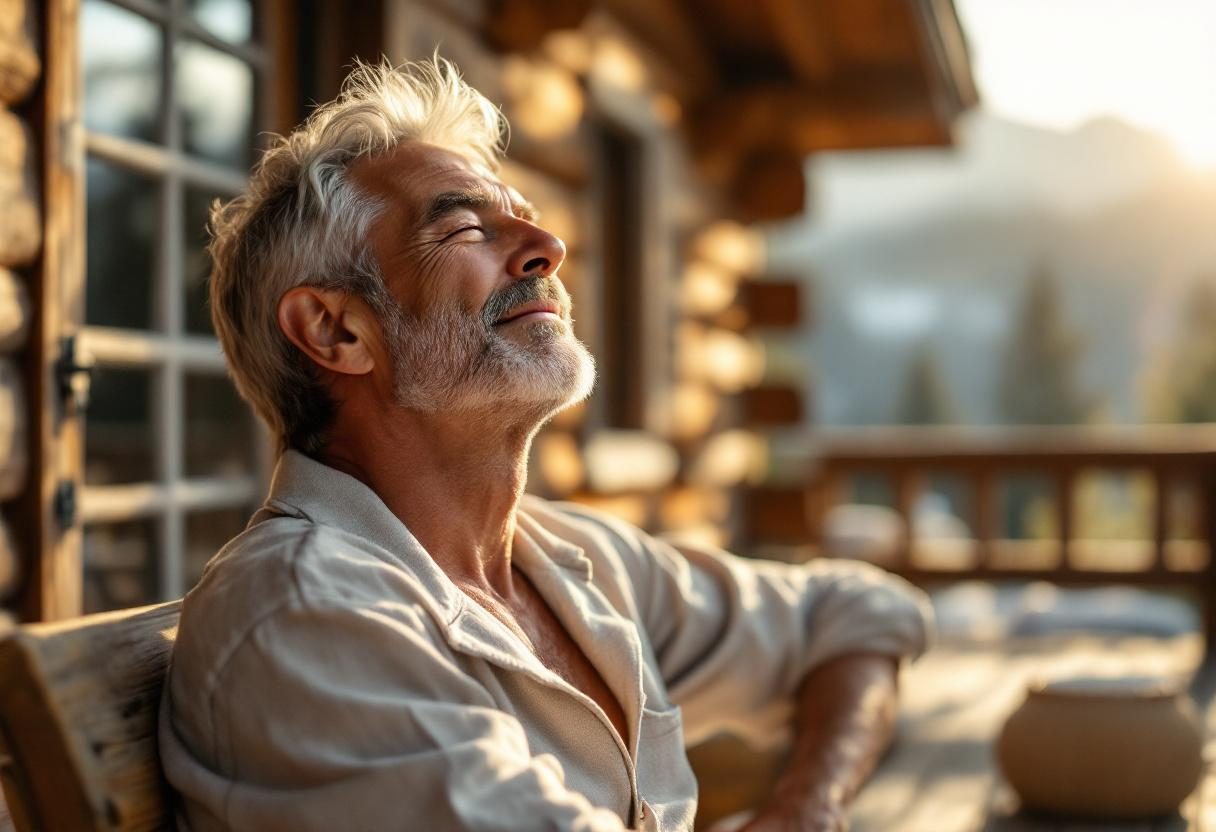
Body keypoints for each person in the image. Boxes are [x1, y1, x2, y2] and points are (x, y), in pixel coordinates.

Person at [158, 57, 932, 832]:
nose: (549, 247)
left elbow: (857, 612)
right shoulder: (305, 614)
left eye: (527, 217)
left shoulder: (566, 560)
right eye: (465, 228)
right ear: (336, 330)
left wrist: (807, 805)